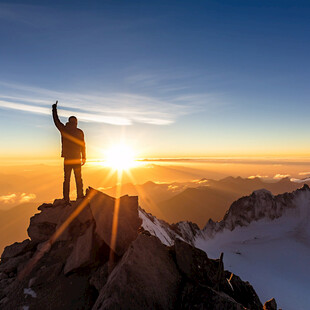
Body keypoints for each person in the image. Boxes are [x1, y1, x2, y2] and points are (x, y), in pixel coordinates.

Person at [52, 101, 86, 205]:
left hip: (68, 158)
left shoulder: (64, 129)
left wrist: (54, 109)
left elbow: (56, 121)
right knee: (78, 178)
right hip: (76, 158)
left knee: (67, 179)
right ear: (76, 122)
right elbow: (83, 145)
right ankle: (80, 197)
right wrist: (84, 157)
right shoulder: (79, 131)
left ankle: (66, 199)